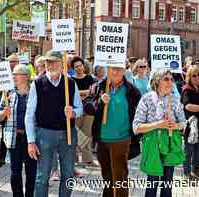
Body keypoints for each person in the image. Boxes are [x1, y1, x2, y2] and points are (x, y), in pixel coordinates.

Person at [25, 50, 83, 197]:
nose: (50, 65)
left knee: (68, 175)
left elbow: (80, 108)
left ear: (61, 64)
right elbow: (29, 114)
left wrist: (74, 113)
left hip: (68, 134)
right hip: (44, 134)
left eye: (53, 62)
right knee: (42, 176)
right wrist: (31, 141)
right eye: (47, 62)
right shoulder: (37, 84)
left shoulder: (70, 83)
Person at [133, 70, 186, 197]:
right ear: (157, 82)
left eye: (171, 79)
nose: (170, 82)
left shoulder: (175, 99)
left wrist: (176, 126)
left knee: (167, 184)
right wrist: (158, 125)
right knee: (152, 183)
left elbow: (183, 123)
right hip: (152, 146)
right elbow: (136, 127)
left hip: (170, 144)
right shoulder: (146, 99)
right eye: (166, 79)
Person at [90, 66, 141, 197]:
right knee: (107, 177)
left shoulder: (132, 90)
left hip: (122, 140)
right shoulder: (97, 87)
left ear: (124, 70)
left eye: (119, 69)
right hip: (101, 140)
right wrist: (100, 102)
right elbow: (88, 107)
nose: (116, 72)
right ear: (107, 69)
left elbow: (139, 113)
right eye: (113, 68)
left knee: (120, 177)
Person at [0, 65, 37, 197]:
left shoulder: (34, 92)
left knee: (31, 171)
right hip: (14, 137)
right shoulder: (7, 93)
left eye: (16, 74)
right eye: (12, 74)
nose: (13, 76)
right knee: (15, 171)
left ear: (26, 77)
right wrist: (3, 113)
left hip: (31, 139)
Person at [71, 56, 96, 166]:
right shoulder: (71, 80)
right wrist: (84, 93)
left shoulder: (90, 78)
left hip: (89, 110)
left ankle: (88, 159)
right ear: (73, 68)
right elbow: (72, 94)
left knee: (87, 134)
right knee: (76, 133)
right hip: (76, 110)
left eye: (80, 65)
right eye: (76, 67)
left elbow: (92, 92)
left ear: (83, 66)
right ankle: (74, 158)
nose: (79, 68)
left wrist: (80, 93)